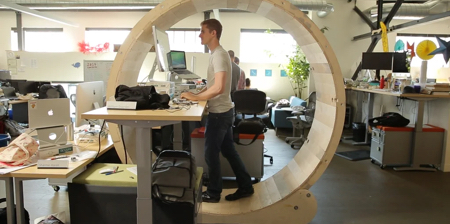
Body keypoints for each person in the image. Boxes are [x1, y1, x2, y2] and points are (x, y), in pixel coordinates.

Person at [180, 19, 254, 203]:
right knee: (229, 151)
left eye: (203, 31)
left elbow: (220, 87)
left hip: (220, 114)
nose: (200, 34)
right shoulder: (216, 54)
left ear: (213, 33)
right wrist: (197, 92)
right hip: (225, 111)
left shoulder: (219, 55)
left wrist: (196, 98)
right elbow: (214, 85)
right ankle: (246, 186)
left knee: (210, 154)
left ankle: (213, 193)